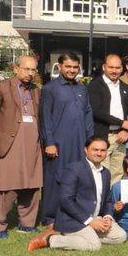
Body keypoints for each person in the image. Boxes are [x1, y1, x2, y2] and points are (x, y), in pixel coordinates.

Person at [28, 136, 128, 251]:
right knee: (94, 246)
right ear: (86, 150)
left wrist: (108, 217)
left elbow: (108, 200)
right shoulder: (73, 169)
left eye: (102, 150)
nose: (99, 153)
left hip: (96, 217)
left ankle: (84, 238)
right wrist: (90, 222)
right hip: (74, 219)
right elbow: (66, 200)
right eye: (95, 150)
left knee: (120, 236)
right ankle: (50, 239)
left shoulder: (106, 173)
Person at [0, 54, 44, 238]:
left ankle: (27, 224)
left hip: (32, 146)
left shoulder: (36, 91)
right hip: (8, 146)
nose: (30, 73)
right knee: (5, 186)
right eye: (26, 69)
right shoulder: (0, 88)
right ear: (15, 68)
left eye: (33, 70)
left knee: (31, 186)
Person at [39, 52, 94, 228]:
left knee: (76, 179)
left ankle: (73, 214)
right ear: (60, 67)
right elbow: (45, 117)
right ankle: (50, 217)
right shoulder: (50, 88)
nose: (71, 70)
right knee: (55, 179)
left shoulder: (82, 89)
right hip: (58, 143)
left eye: (75, 67)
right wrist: (49, 142)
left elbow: (88, 114)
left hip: (79, 142)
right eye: (68, 66)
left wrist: (89, 141)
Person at [87, 54, 128, 180]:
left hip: (120, 137)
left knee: (118, 173)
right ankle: (101, 199)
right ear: (104, 67)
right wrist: (122, 123)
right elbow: (96, 111)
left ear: (122, 69)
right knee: (101, 173)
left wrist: (126, 130)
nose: (114, 71)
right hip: (102, 136)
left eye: (117, 68)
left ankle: (114, 200)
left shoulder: (124, 87)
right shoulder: (95, 85)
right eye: (111, 67)